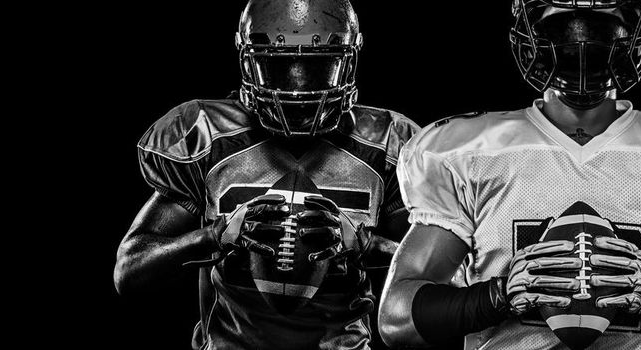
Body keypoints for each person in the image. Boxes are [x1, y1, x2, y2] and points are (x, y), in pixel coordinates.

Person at [377, 1, 641, 349]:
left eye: (600, 29)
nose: (582, 46)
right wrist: (497, 296)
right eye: (565, 30)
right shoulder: (465, 153)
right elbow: (396, 320)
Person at [112, 1, 418, 349]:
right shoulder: (208, 137)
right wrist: (213, 237)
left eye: (317, 67)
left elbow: (449, 276)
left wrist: (367, 245)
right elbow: (130, 270)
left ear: (348, 60)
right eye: (280, 66)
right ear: (248, 61)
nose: (298, 88)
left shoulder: (388, 146)